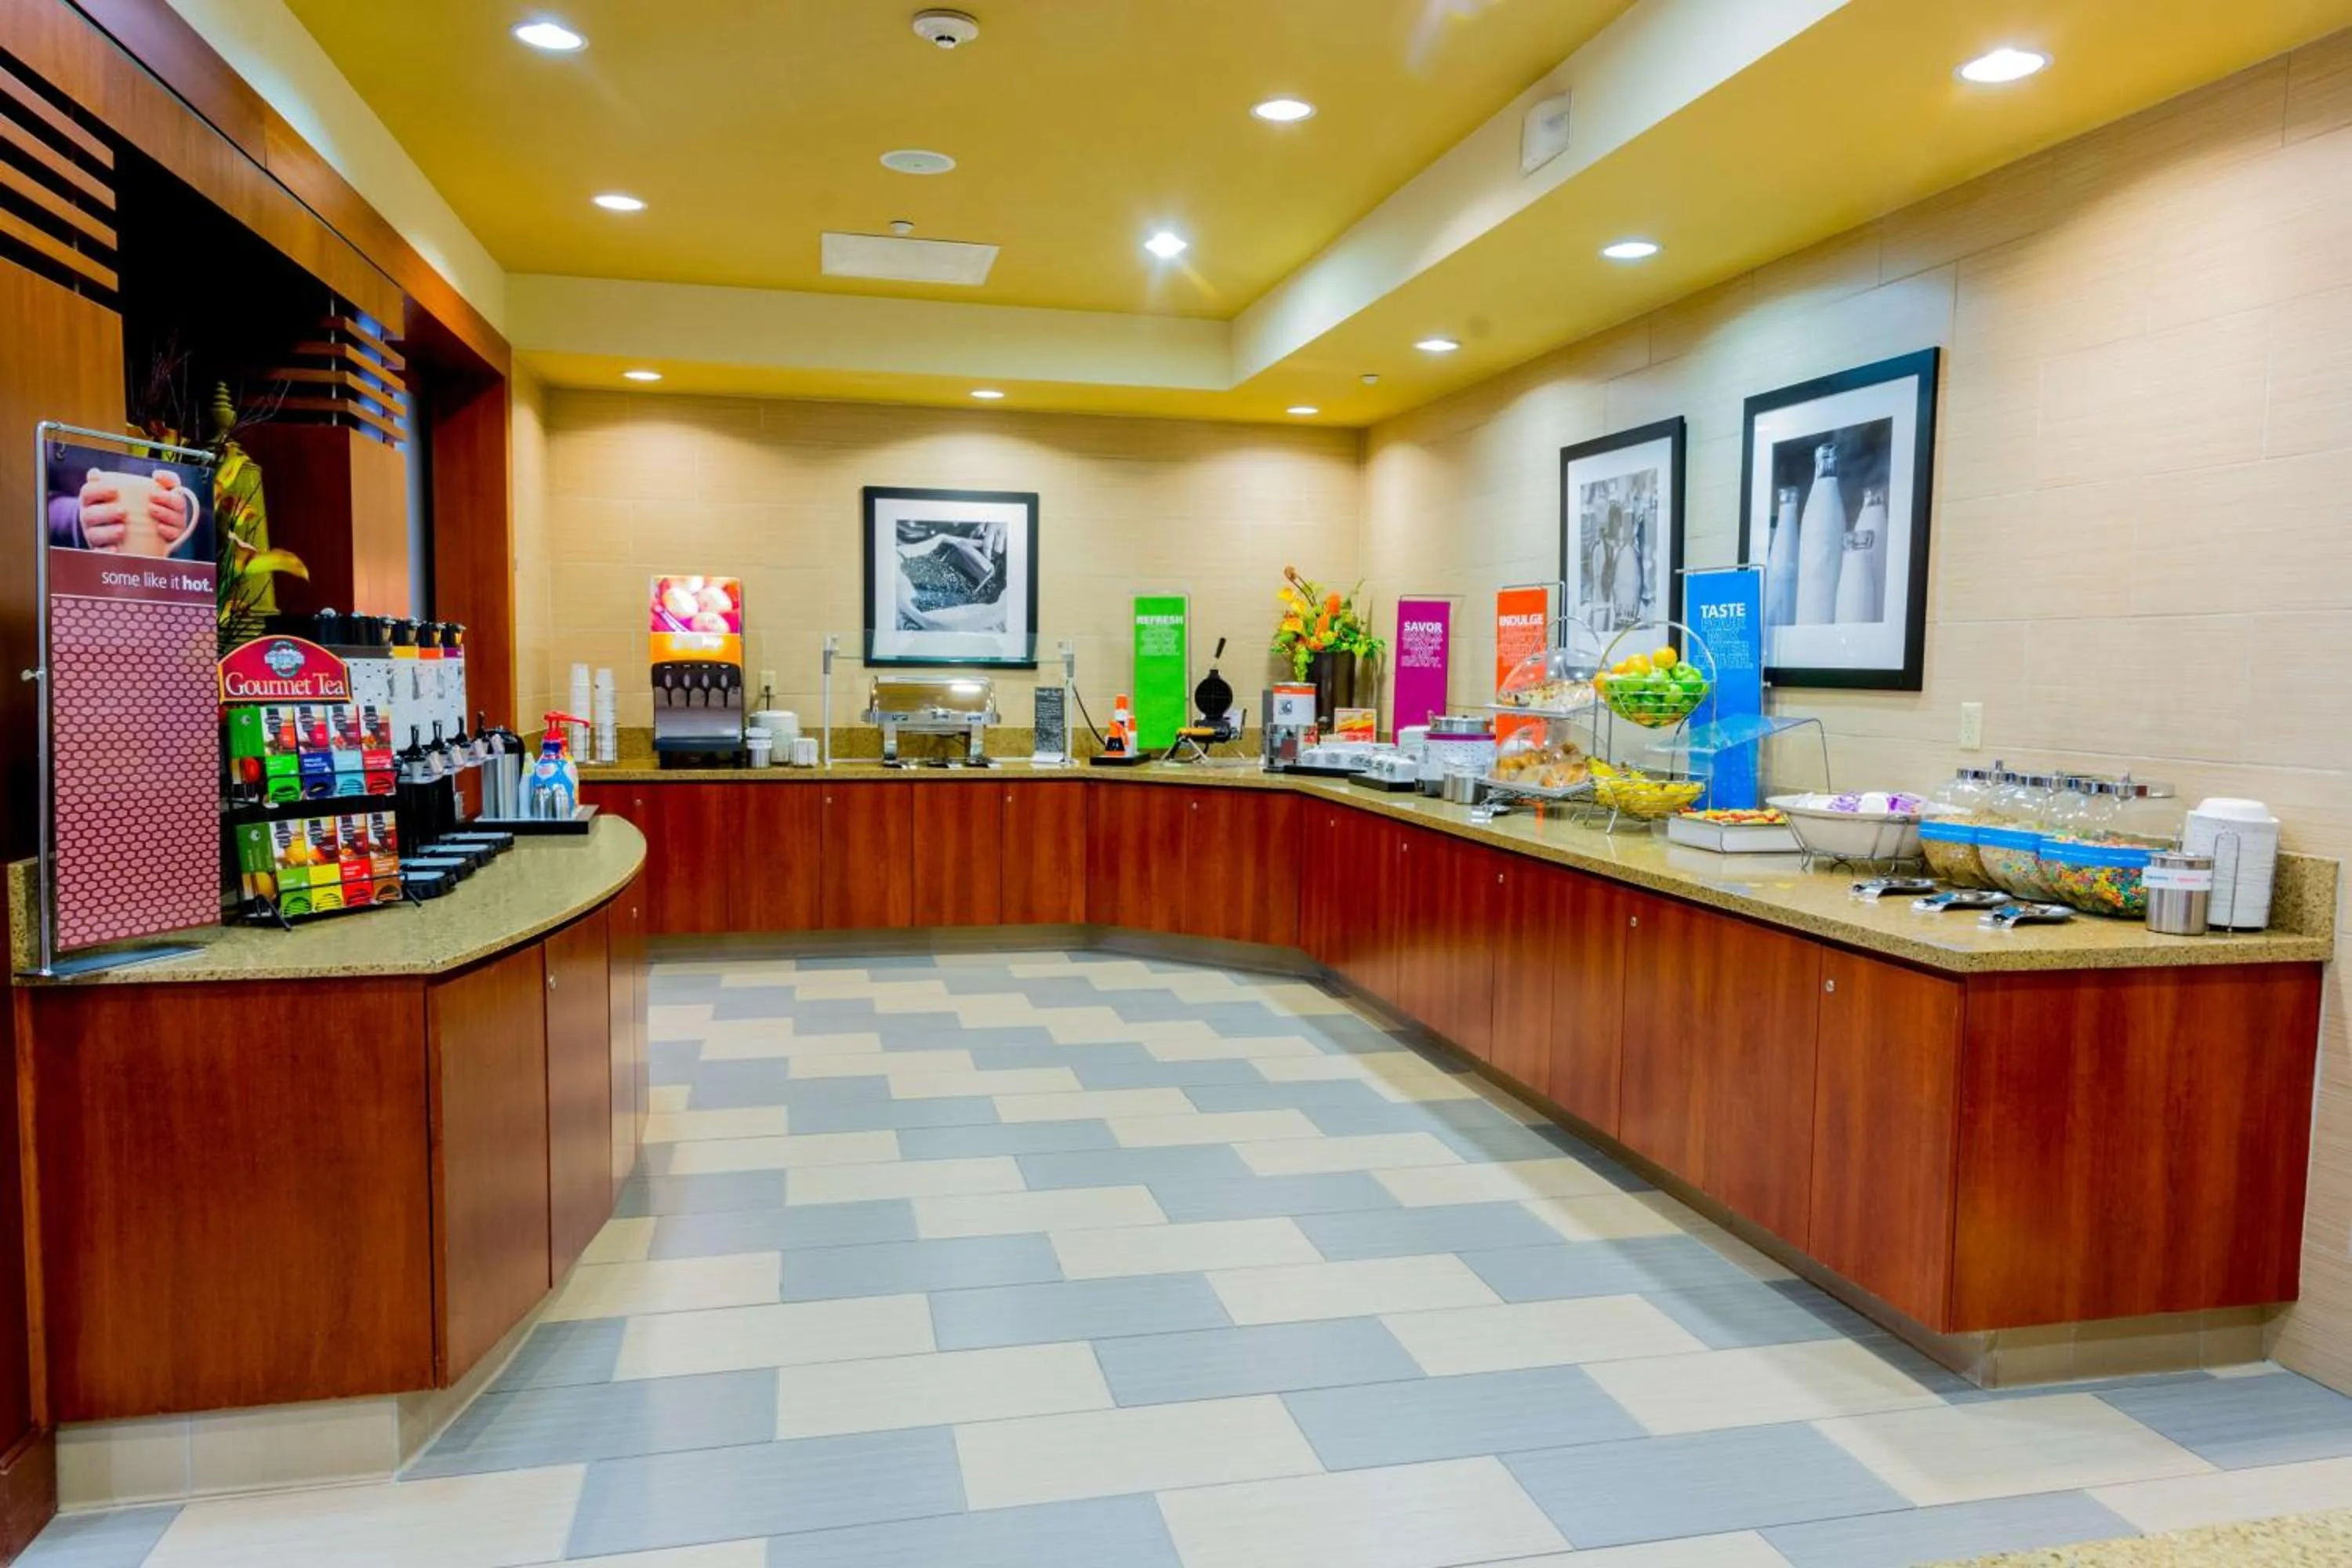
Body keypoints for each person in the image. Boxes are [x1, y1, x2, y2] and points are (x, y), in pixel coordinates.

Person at [48, 466, 201, 556]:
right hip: (80, 580)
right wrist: (77, 518)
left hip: (164, 584)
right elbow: (29, 507)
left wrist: (177, 512)